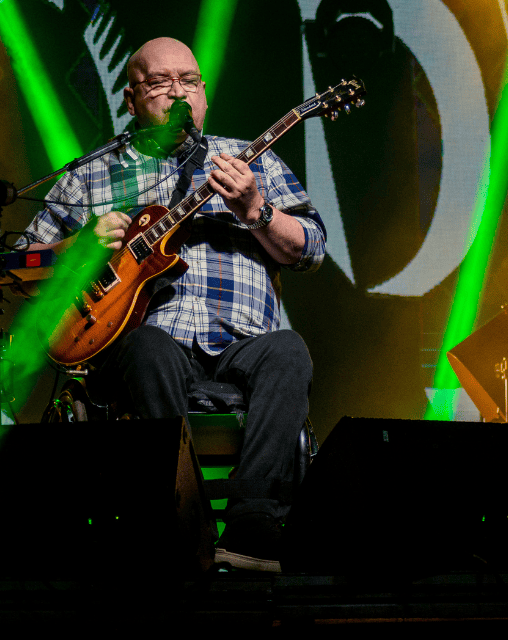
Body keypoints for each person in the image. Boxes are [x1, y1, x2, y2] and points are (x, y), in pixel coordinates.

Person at [22, 37, 326, 572]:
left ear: (204, 93)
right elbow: (22, 269)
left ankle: (253, 526)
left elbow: (311, 249)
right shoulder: (89, 175)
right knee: (148, 348)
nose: (178, 93)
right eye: (161, 83)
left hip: (244, 347)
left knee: (289, 350)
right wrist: (80, 248)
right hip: (145, 348)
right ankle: (180, 521)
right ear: (131, 97)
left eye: (189, 81)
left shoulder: (250, 160)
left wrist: (256, 208)